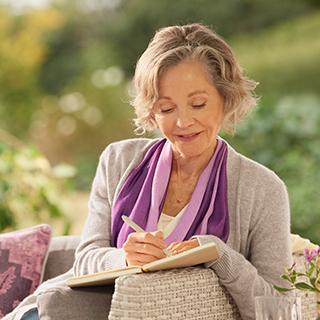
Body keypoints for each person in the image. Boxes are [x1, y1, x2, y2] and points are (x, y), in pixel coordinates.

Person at [5, 23, 292, 320]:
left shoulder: (263, 189)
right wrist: (124, 257)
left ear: (226, 98)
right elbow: (85, 258)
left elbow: (279, 309)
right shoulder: (118, 160)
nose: (183, 122)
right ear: (151, 111)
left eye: (198, 104)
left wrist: (221, 256)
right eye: (167, 109)